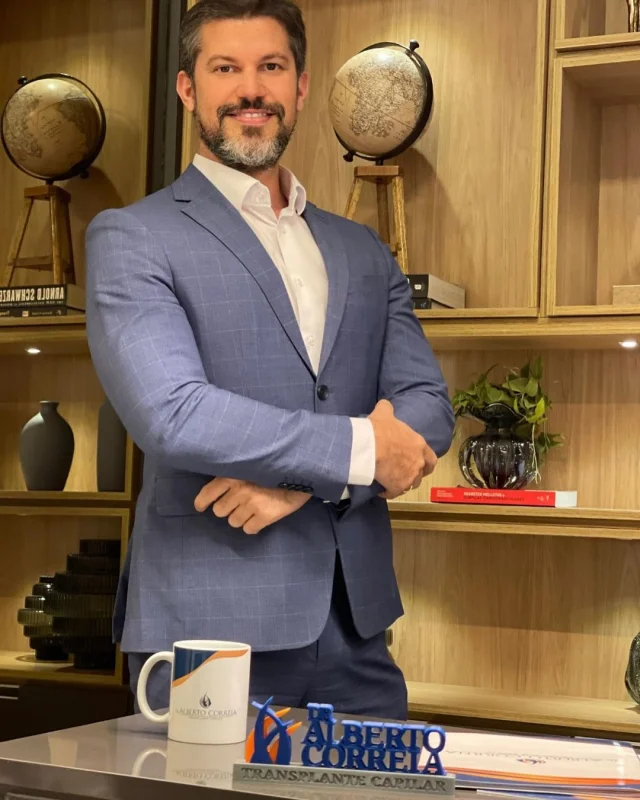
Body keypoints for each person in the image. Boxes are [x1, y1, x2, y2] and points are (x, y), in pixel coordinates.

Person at [85, 0, 454, 721]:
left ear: (301, 87)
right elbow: (173, 413)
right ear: (188, 88)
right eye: (226, 68)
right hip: (206, 632)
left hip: (358, 634)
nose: (250, 89)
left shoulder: (362, 250)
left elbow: (427, 408)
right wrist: (356, 451)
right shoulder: (132, 237)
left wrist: (304, 486)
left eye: (272, 67)